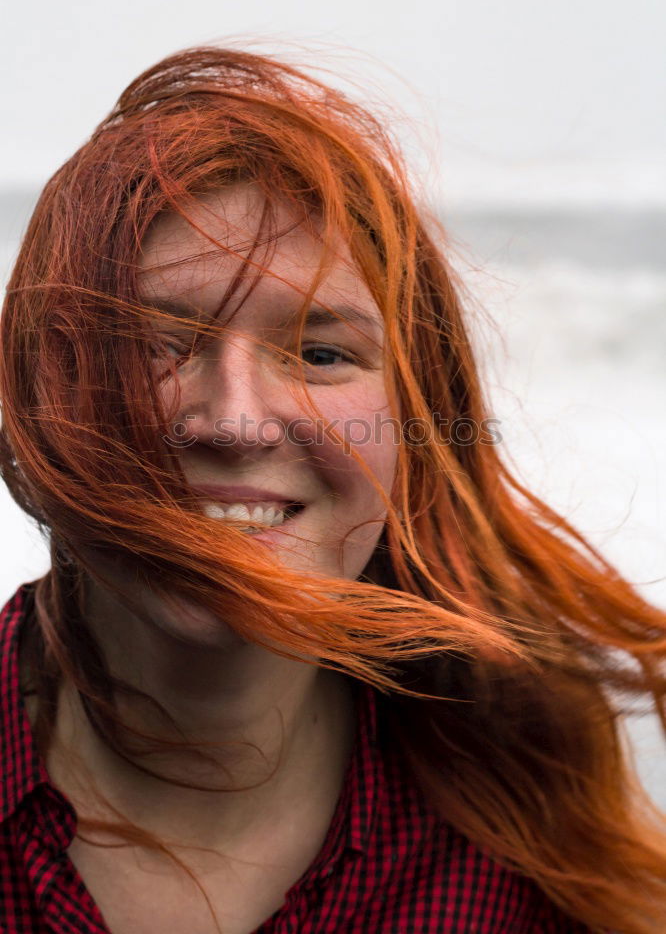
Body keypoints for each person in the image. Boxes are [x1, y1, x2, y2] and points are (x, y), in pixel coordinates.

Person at [0, 46, 664, 934]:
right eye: (157, 345)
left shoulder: (520, 825)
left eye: (319, 353)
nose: (236, 422)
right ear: (36, 398)